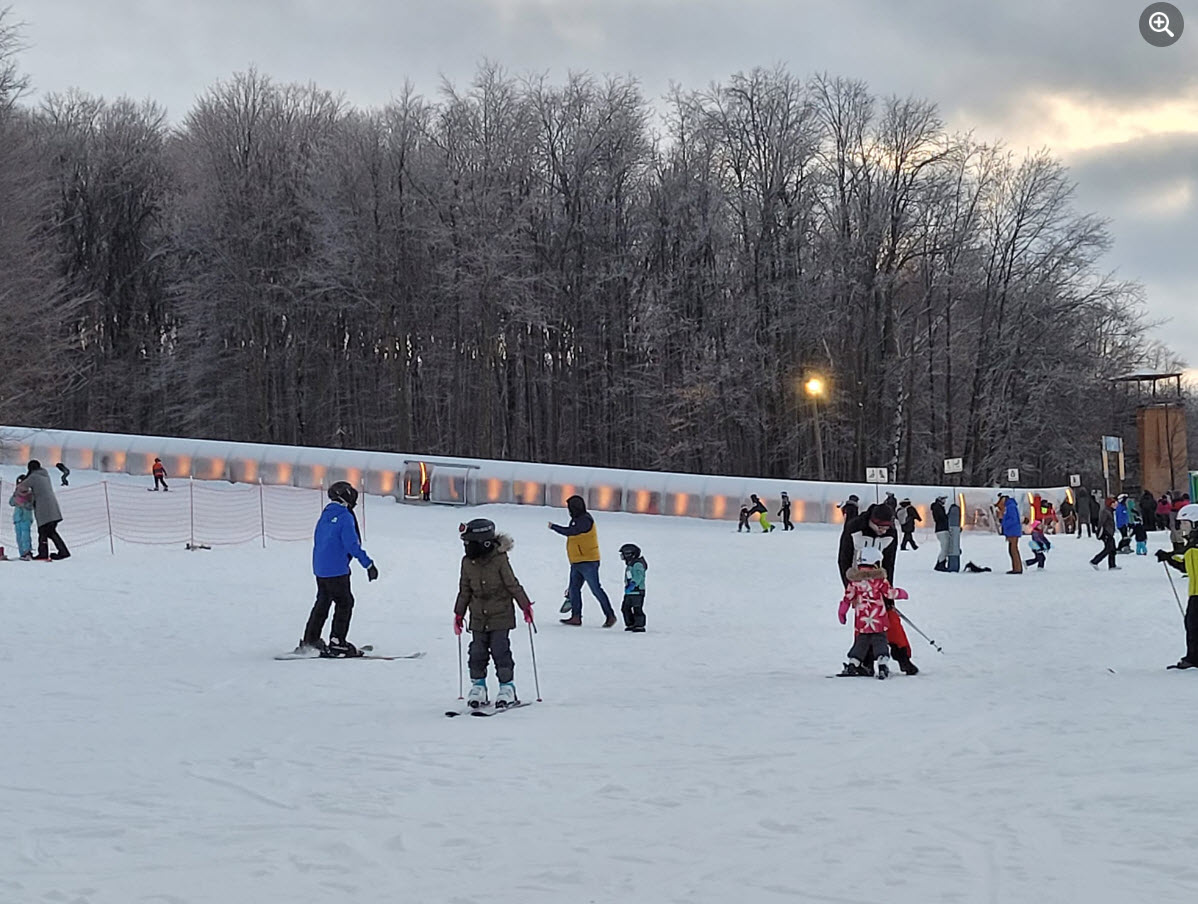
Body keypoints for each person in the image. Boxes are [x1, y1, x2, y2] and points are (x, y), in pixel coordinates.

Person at [454, 518, 533, 708]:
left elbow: (512, 584)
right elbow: (465, 589)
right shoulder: (467, 562)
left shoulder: (499, 560)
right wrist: (459, 614)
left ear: (484, 543)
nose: (466, 547)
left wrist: (525, 606)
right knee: (477, 652)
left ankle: (507, 687)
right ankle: (478, 686)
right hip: (478, 617)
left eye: (470, 543)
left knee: (500, 651)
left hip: (500, 615)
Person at [296, 481, 378, 657]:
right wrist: (368, 564)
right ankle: (338, 641)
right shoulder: (345, 517)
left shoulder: (325, 514)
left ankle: (310, 638)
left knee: (323, 602)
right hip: (336, 570)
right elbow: (352, 545)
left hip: (320, 568)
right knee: (345, 602)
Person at [835, 545, 906, 680]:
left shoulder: (854, 581)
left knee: (862, 641)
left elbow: (848, 597)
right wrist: (901, 593)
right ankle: (882, 665)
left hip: (862, 619)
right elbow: (889, 593)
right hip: (878, 617)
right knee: (880, 640)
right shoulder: (879, 580)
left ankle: (853, 663)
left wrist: (842, 610)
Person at [550, 494, 617, 627]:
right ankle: (576, 617)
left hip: (588, 561)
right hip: (577, 561)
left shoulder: (585, 520)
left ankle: (610, 615)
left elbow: (572, 531)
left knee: (596, 589)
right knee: (574, 590)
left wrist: (554, 527)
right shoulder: (577, 519)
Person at [1157, 503, 1198, 670]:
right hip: (1194, 592)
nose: (1182, 527)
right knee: (1192, 625)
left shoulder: (1195, 545)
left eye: (1185, 523)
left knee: (1193, 625)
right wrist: (1168, 557)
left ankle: (1193, 658)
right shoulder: (1192, 544)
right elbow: (1187, 567)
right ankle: (1193, 657)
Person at [24, 460, 69, 560]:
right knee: (50, 531)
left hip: (44, 509)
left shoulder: (33, 477)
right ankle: (62, 551)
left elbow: (23, 485)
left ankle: (45, 553)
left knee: (44, 531)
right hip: (53, 508)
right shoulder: (44, 474)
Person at [618, 542, 648, 632]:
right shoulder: (630, 565)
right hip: (630, 592)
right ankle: (630, 623)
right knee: (625, 608)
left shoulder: (637, 564)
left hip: (637, 591)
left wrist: (633, 584)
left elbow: (639, 575)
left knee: (637, 608)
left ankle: (639, 625)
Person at [1090, 497, 1119, 571]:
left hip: (1109, 532)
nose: (1115, 504)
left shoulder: (1110, 511)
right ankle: (1095, 561)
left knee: (1112, 548)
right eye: (1113, 503)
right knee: (1108, 548)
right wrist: (1100, 532)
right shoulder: (1105, 511)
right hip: (1106, 533)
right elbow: (1101, 522)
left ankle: (1112, 565)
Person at [9, 474, 34, 559]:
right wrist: (16, 497)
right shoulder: (16, 493)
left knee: (25, 535)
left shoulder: (30, 494)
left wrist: (23, 504)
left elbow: (31, 506)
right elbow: (11, 502)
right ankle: (22, 553)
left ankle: (27, 552)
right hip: (17, 518)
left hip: (26, 517)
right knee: (19, 536)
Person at [1001, 494, 1022, 574]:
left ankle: (1017, 568)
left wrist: (1004, 523)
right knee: (1012, 550)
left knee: (1013, 550)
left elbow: (1013, 519)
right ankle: (1016, 567)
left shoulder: (1010, 507)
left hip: (1013, 531)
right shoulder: (1010, 506)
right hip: (1012, 530)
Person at [931, 494, 951, 570]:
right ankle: (941, 564)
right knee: (945, 548)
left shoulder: (938, 507)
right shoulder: (938, 507)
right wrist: (947, 517)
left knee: (945, 548)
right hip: (942, 529)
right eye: (943, 499)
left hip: (941, 529)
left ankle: (940, 563)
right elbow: (941, 518)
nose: (944, 501)